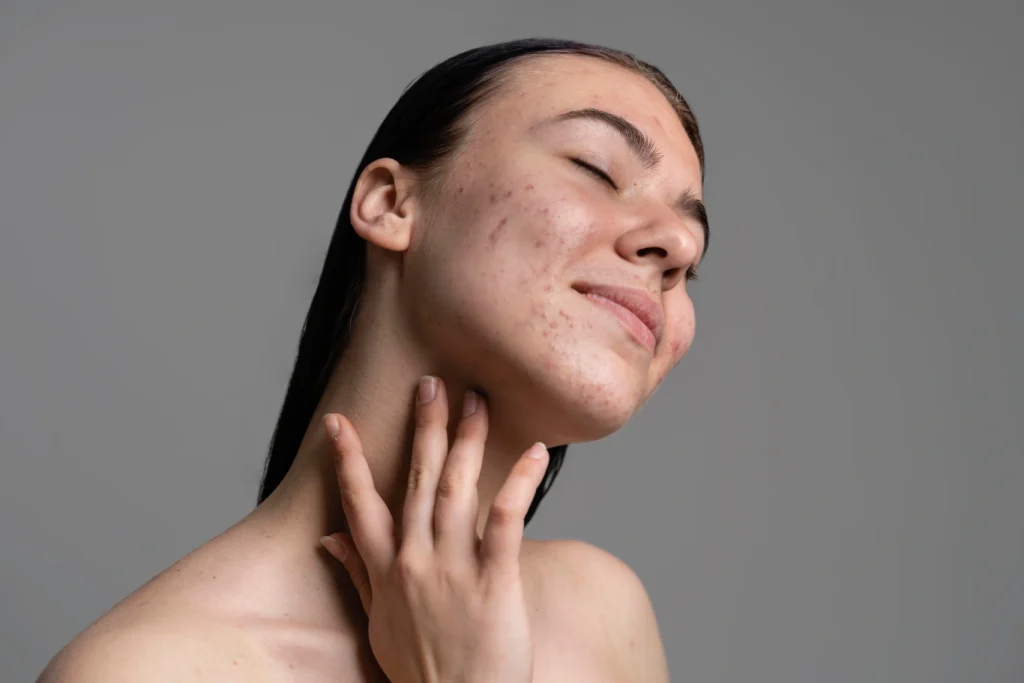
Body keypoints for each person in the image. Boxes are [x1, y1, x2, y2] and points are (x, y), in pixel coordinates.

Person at [37, 36, 708, 683]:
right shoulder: (147, 671)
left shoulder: (603, 614)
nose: (677, 244)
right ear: (389, 203)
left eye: (694, 252)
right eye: (596, 168)